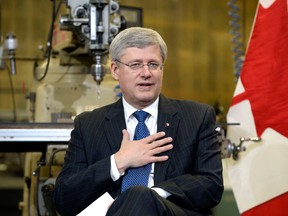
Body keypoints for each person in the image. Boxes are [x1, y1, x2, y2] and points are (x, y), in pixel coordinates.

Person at [52, 27, 223, 216]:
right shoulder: (89, 124)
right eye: (135, 65)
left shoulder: (196, 116)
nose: (146, 73)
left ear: (162, 69)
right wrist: (117, 162)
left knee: (140, 197)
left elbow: (211, 185)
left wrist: (154, 195)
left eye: (153, 64)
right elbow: (64, 199)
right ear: (115, 70)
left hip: (171, 211)